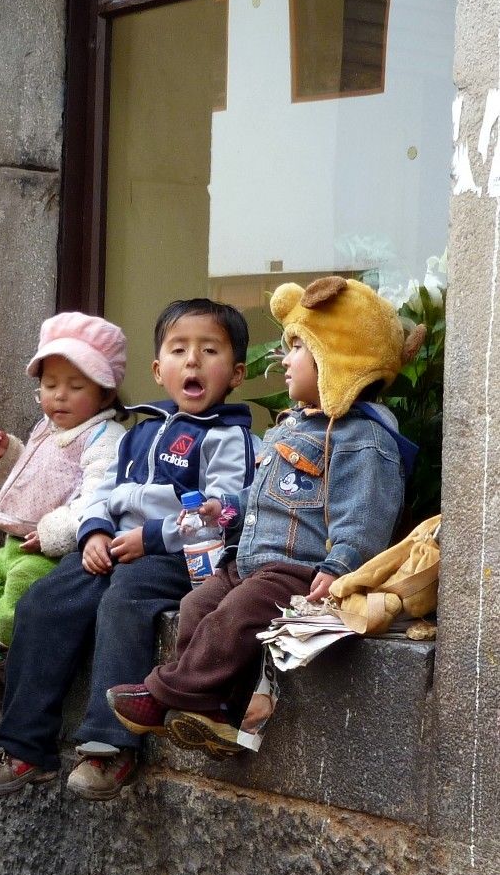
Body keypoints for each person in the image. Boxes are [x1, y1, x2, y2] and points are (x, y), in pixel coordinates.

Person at [106, 276, 424, 754]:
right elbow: (259, 495)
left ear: (338, 362)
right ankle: (213, 712)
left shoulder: (364, 439)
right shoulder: (291, 428)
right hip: (252, 560)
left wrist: (340, 568)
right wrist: (225, 509)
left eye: (298, 347)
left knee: (235, 616)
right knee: (196, 606)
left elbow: (366, 514)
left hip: (298, 570)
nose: (285, 358)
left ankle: (162, 694)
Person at [0, 297, 257, 802]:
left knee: (124, 599)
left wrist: (149, 539)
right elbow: (103, 490)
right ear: (157, 368)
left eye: (208, 350)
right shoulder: (141, 431)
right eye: (178, 350)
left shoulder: (229, 437)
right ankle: (25, 746)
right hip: (116, 545)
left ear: (235, 374)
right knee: (44, 598)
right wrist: (95, 531)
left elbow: (225, 510)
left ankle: (110, 745)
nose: (192, 360)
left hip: (178, 556)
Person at [0, 312, 128, 698]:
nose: (59, 396)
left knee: (21, 583)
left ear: (106, 393)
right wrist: (6, 456)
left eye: (74, 386)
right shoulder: (46, 428)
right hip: (11, 544)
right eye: (50, 385)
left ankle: (1, 657)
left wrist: (54, 532)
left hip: (53, 552)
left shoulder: (105, 436)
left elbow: (98, 495)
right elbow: (29, 480)